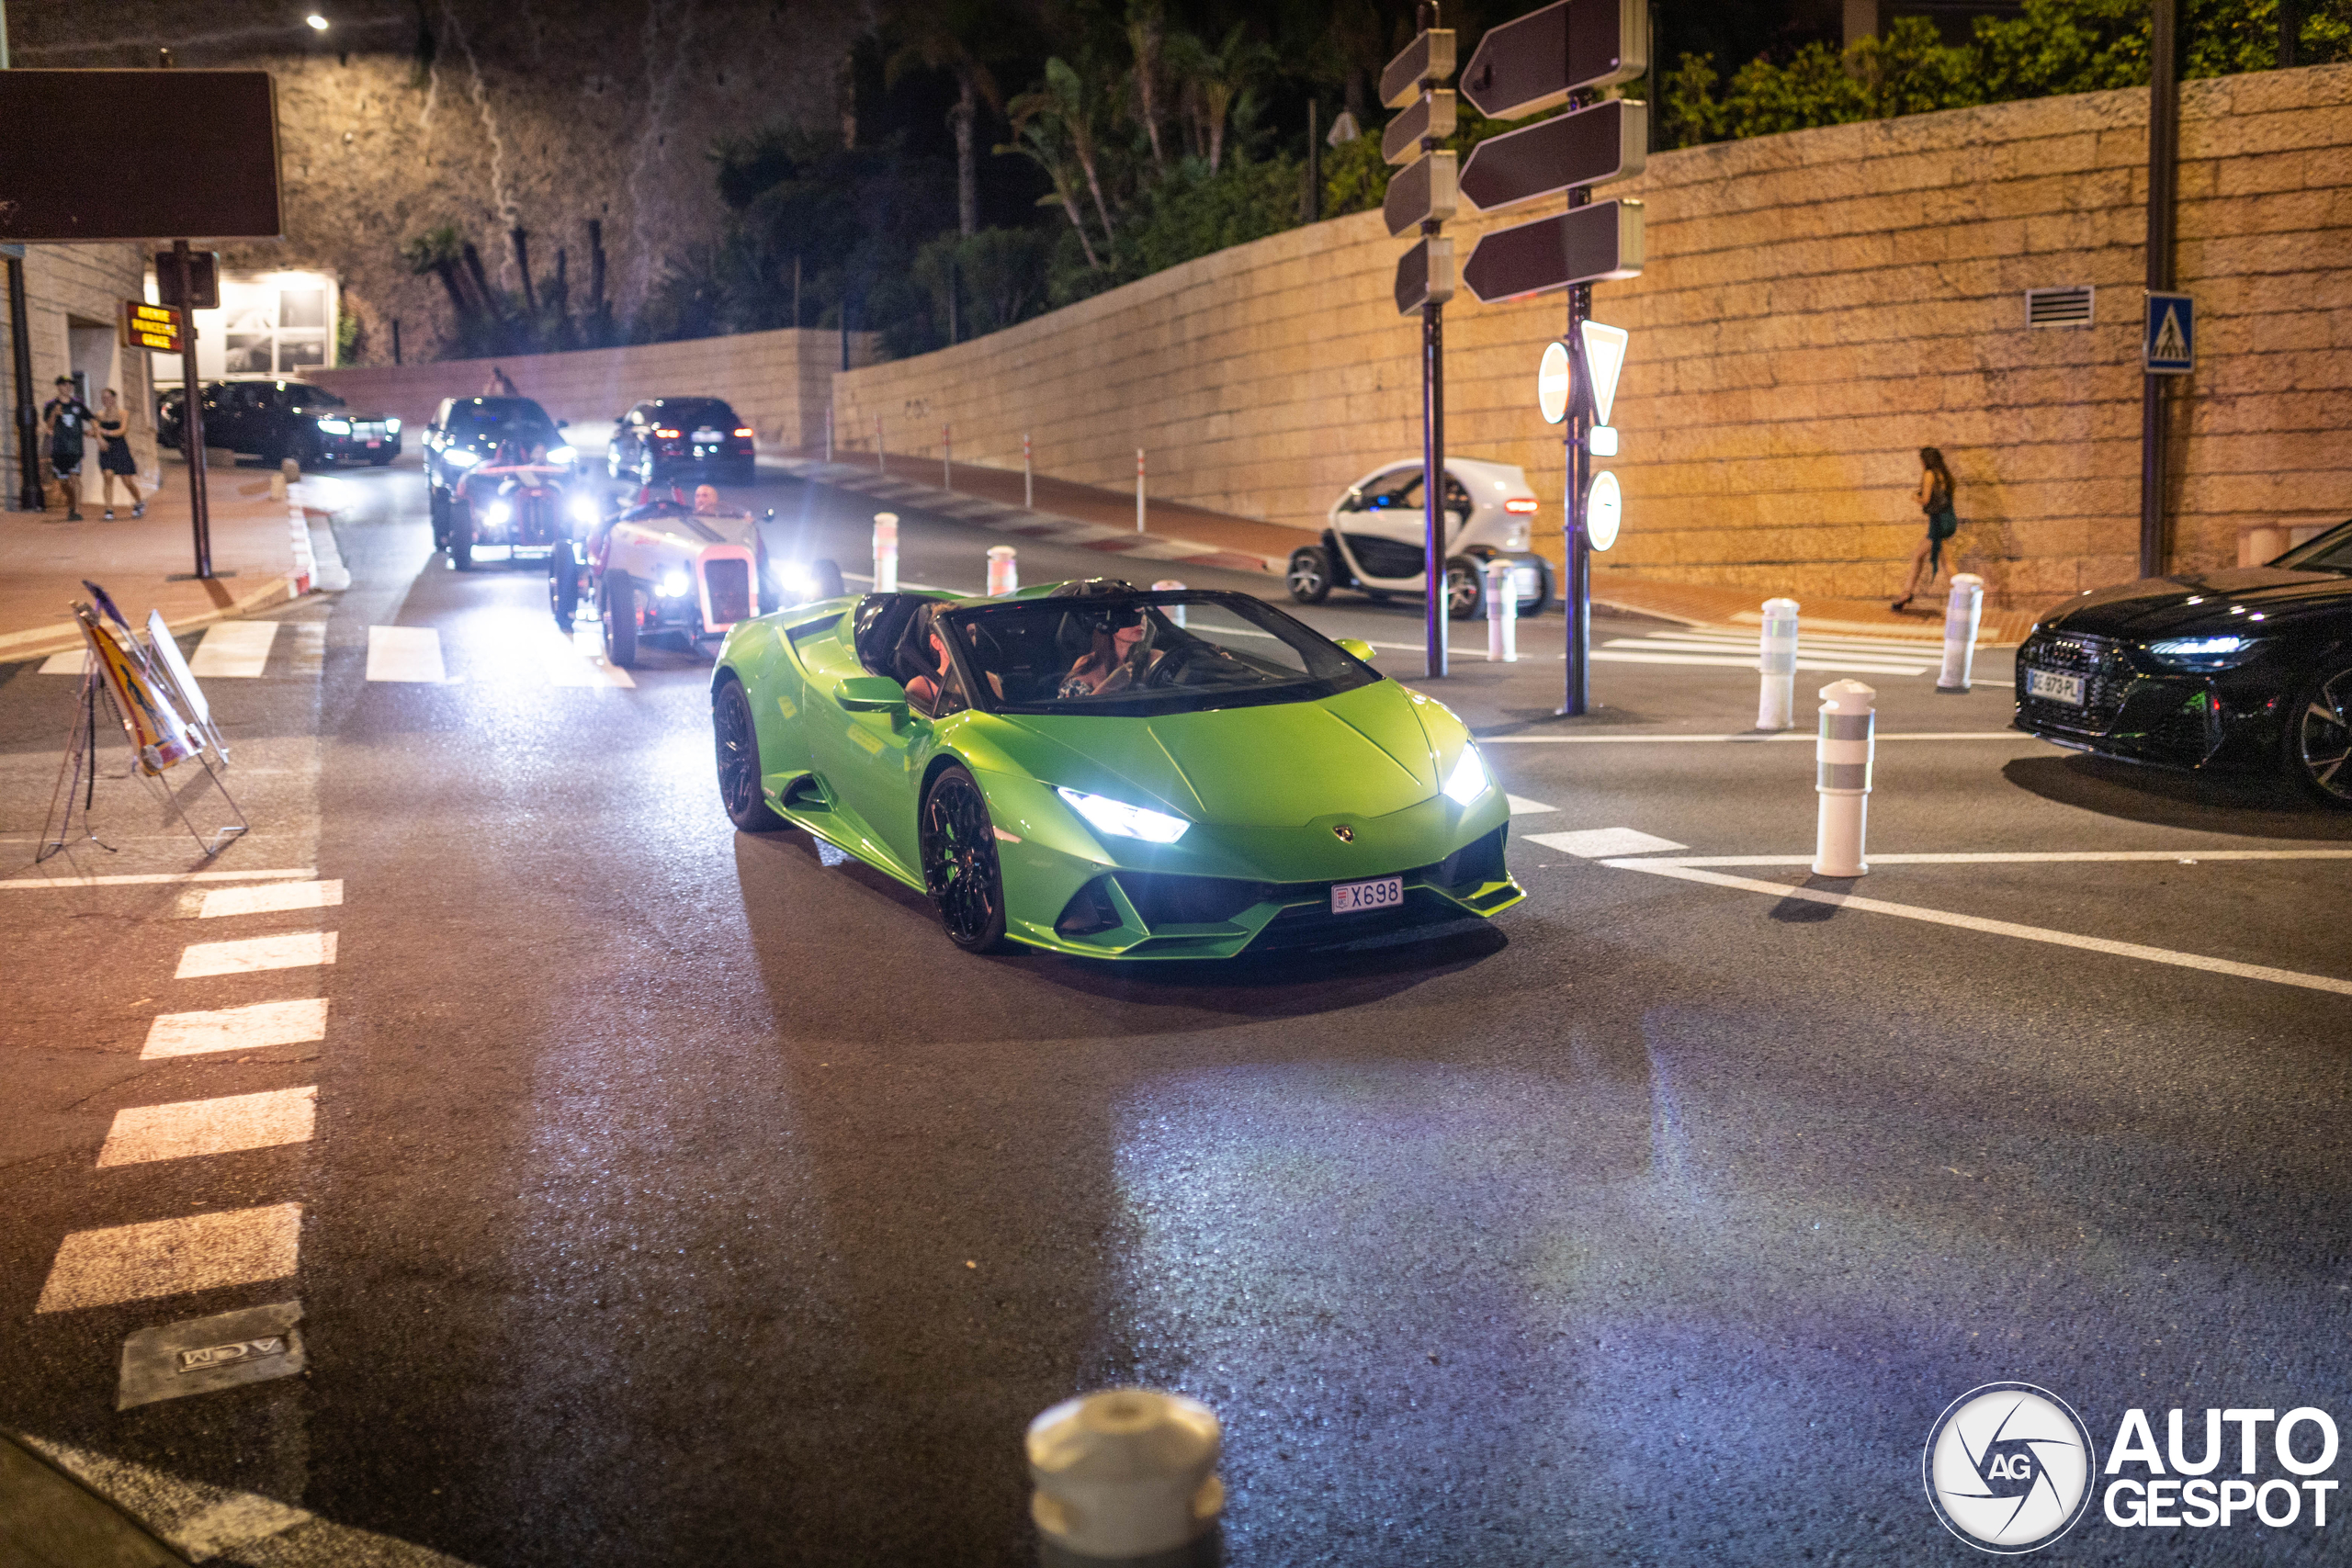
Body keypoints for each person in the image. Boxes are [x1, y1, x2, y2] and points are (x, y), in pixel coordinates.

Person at [1892, 446, 1961, 612]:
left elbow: (1926, 499)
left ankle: (1962, 597)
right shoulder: (1944, 475)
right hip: (1948, 520)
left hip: (1938, 523)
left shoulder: (1930, 474)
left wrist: (1916, 497)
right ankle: (1906, 595)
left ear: (1925, 461)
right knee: (1933, 559)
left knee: (1931, 559)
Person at [40, 376, 93, 521]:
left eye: (70, 385)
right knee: (63, 482)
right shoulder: (51, 405)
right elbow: (49, 426)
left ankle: (77, 511)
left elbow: (91, 418)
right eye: (64, 385)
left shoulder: (78, 404)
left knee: (75, 478)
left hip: (75, 448)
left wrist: (96, 433)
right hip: (59, 448)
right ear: (58, 387)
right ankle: (71, 503)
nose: (68, 387)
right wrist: (54, 414)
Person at [94, 388, 144, 519]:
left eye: (109, 397)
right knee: (108, 475)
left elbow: (122, 430)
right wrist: (98, 437)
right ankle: (109, 509)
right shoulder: (99, 415)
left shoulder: (123, 413)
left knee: (127, 480)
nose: (106, 400)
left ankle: (139, 502)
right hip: (106, 448)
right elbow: (95, 429)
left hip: (120, 447)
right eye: (104, 398)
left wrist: (105, 432)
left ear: (114, 398)